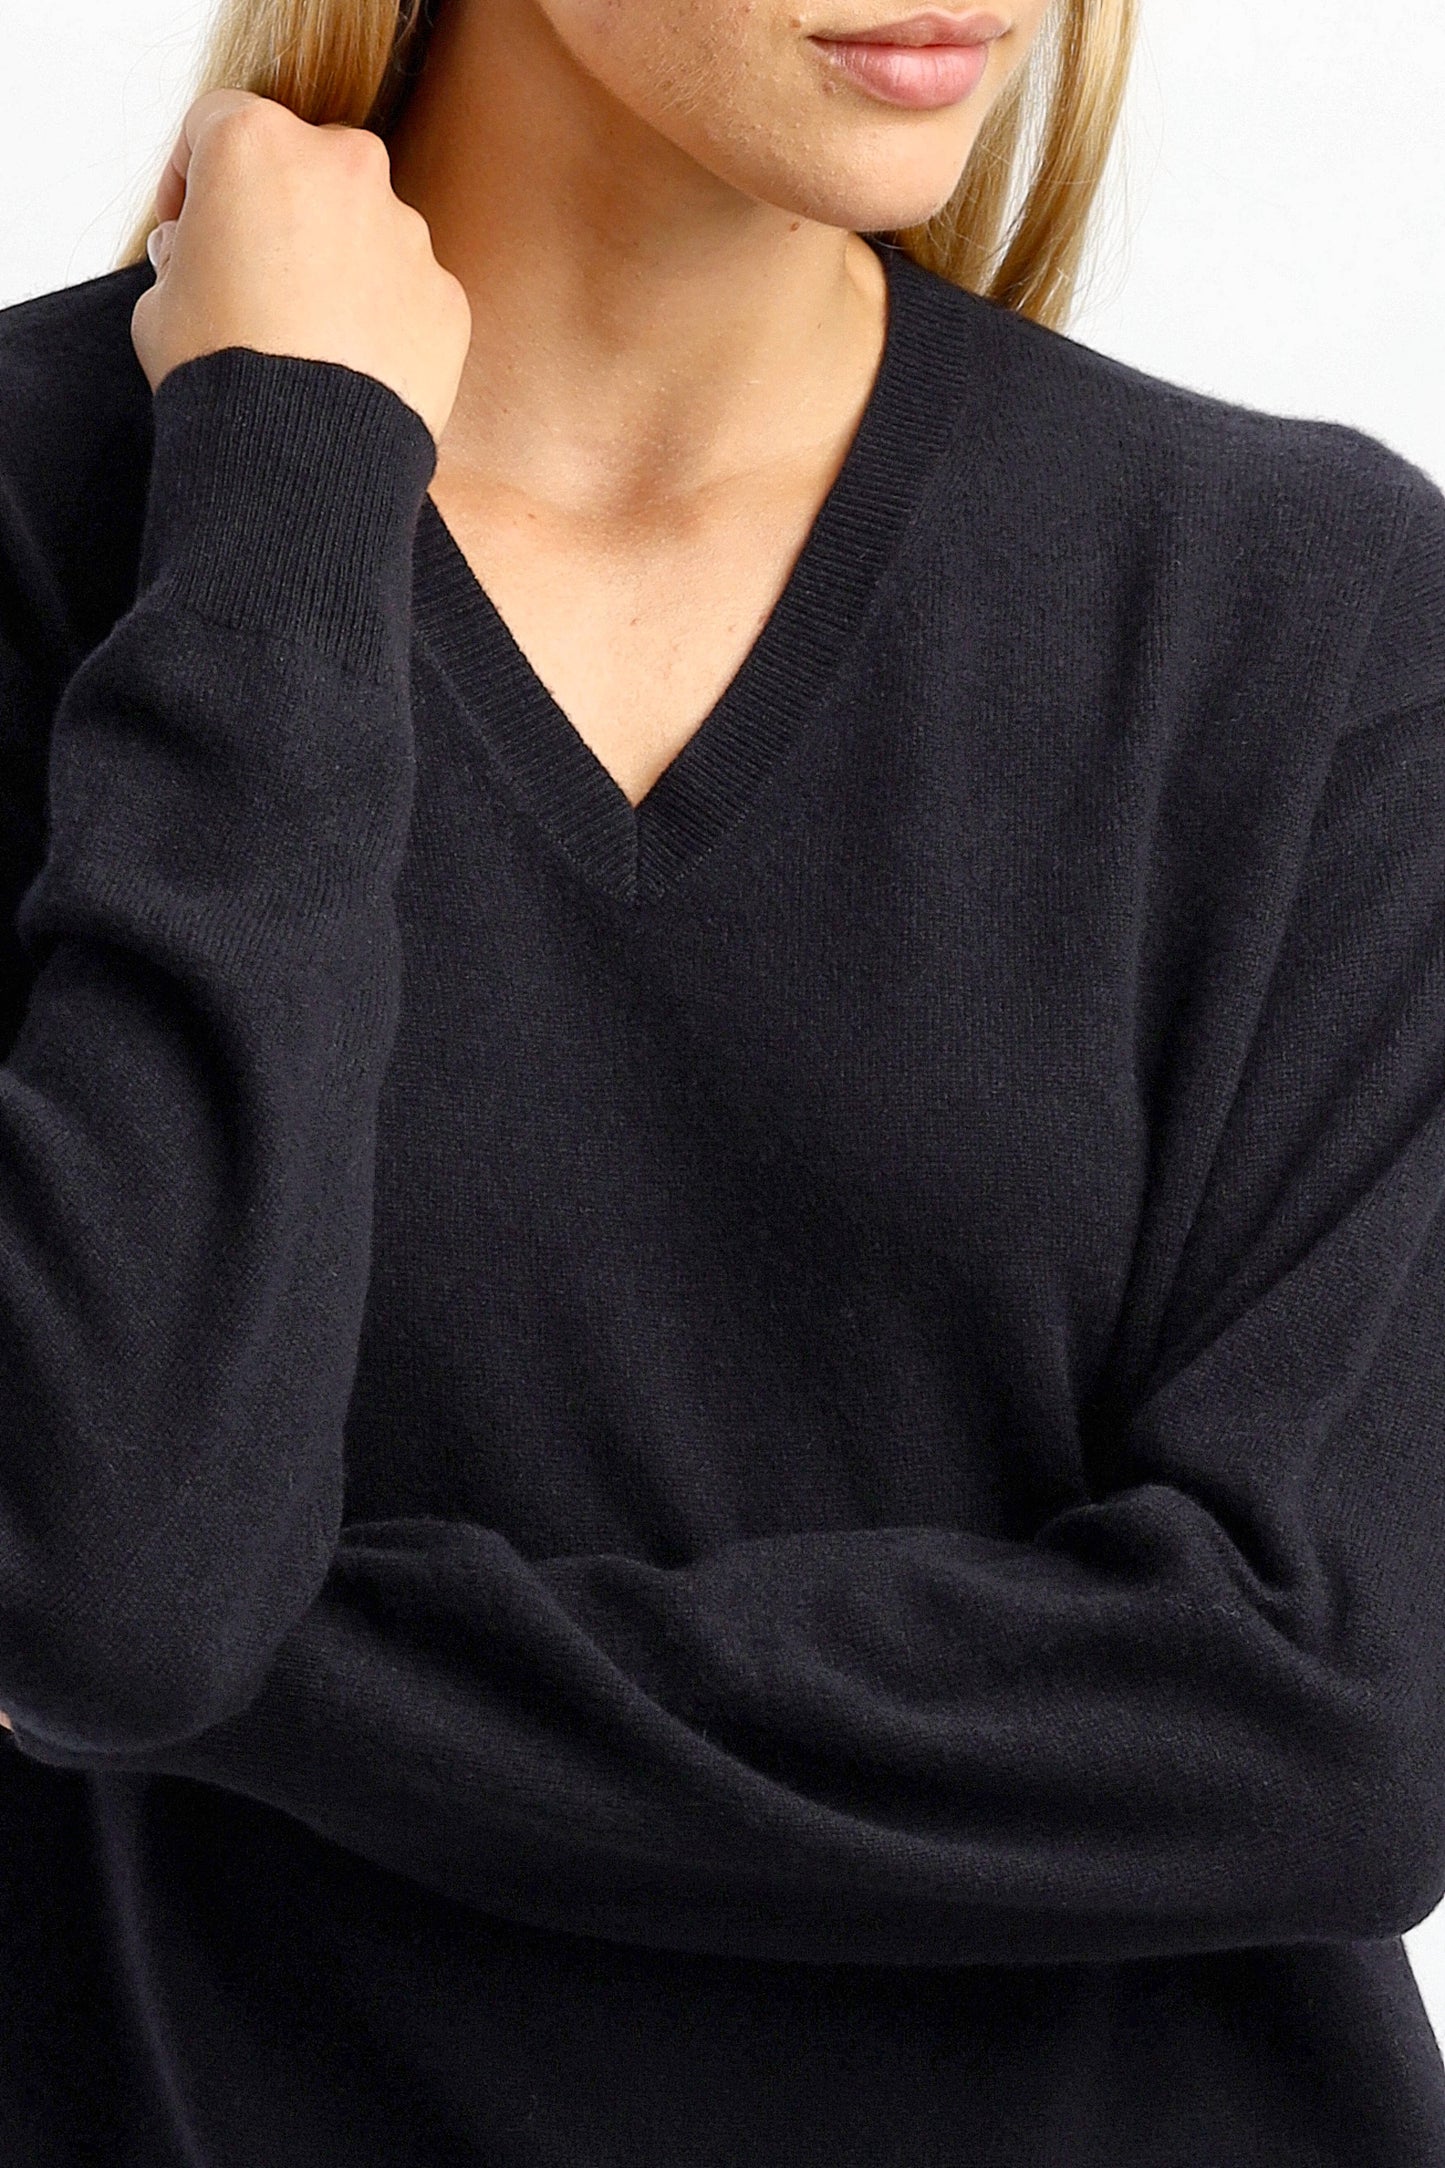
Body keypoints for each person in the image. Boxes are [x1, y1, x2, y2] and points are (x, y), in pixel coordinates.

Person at [2, 0, 1444, 2161]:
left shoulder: (1307, 614)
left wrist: (227, 1662)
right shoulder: (47, 534)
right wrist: (282, 486)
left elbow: (1334, 1728)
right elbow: (123, 1581)